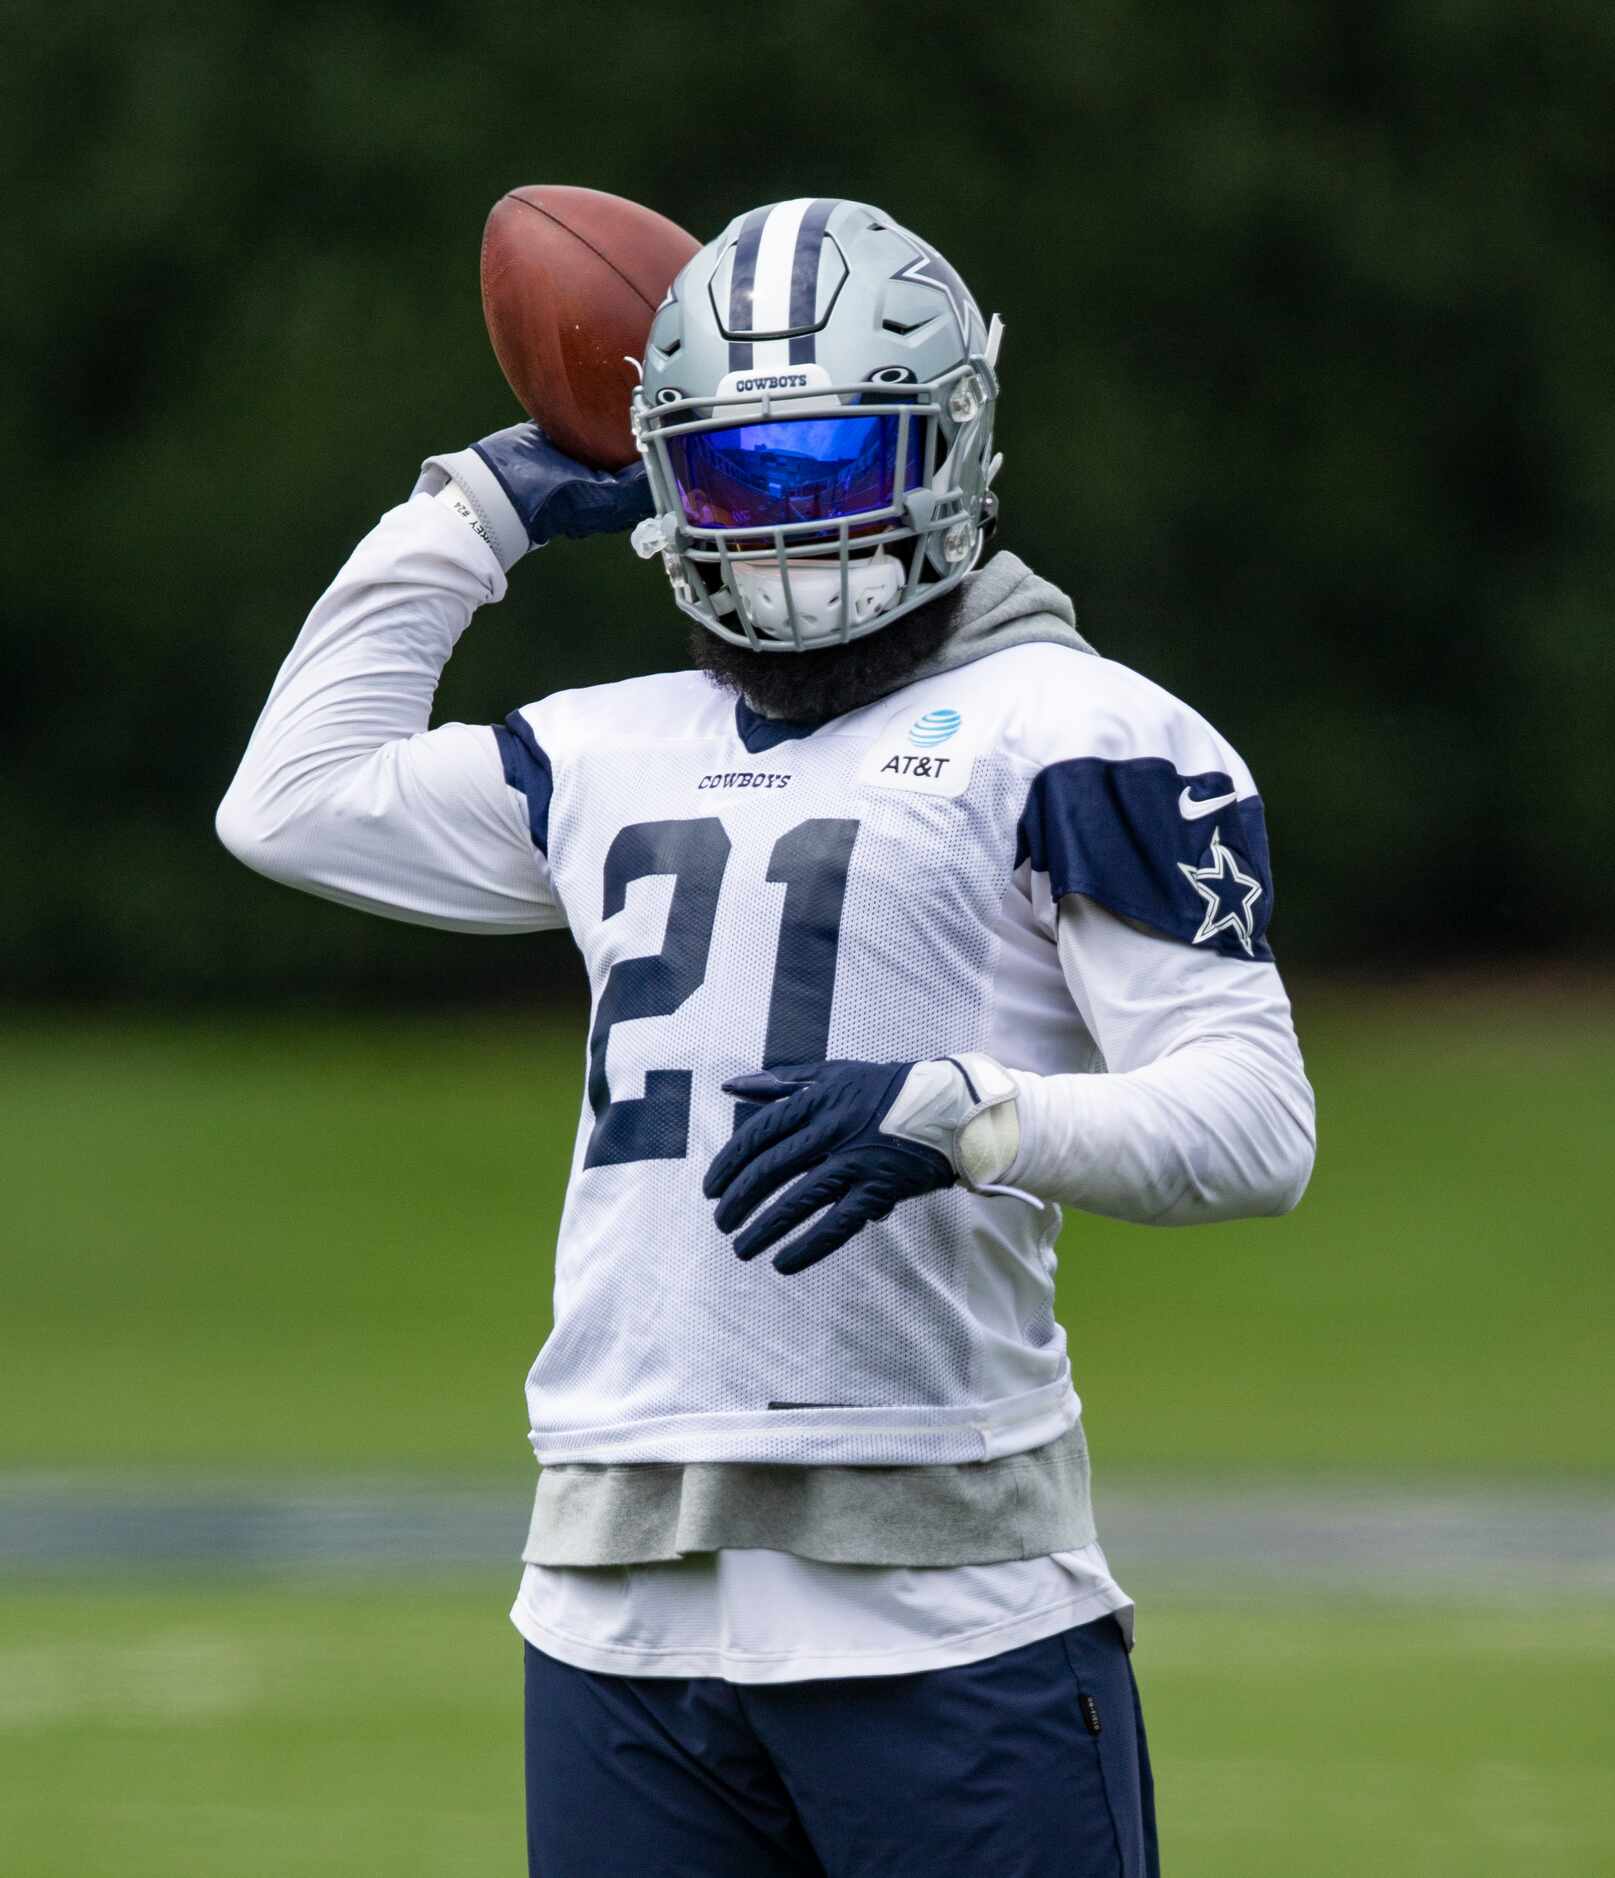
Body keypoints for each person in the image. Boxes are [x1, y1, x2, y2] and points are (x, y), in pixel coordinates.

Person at [218, 195, 1315, 1877]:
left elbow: (1256, 1125)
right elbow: (288, 803)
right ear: (659, 477)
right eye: (735, 474)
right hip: (614, 1603)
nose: (784, 528)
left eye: (829, 464)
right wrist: (473, 510)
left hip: (944, 1597)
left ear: (945, 447)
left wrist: (970, 1112)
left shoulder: (1080, 729)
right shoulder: (608, 745)